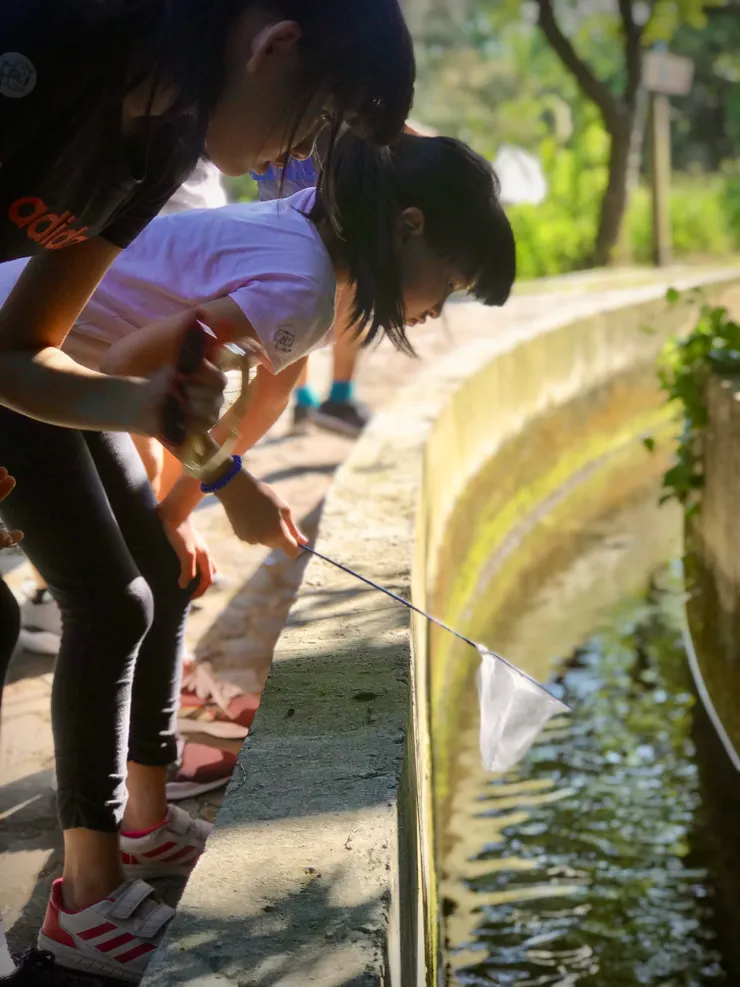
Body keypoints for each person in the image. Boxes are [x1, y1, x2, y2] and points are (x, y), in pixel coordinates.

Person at [0, 1, 415, 981]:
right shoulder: (43, 47)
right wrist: (211, 479)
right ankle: (95, 885)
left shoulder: (154, 151)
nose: (294, 155)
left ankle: (101, 880)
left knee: (127, 595)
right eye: (310, 125)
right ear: (273, 45)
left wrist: (151, 410)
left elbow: (20, 350)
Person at [2, 129, 516, 738]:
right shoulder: (303, 288)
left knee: (154, 572)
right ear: (409, 227)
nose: (437, 311)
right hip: (23, 361)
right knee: (115, 604)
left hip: (39, 354)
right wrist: (231, 486)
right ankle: (137, 817)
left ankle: (142, 810)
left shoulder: (310, 241)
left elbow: (255, 399)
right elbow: (127, 372)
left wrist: (178, 507)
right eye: (451, 286)